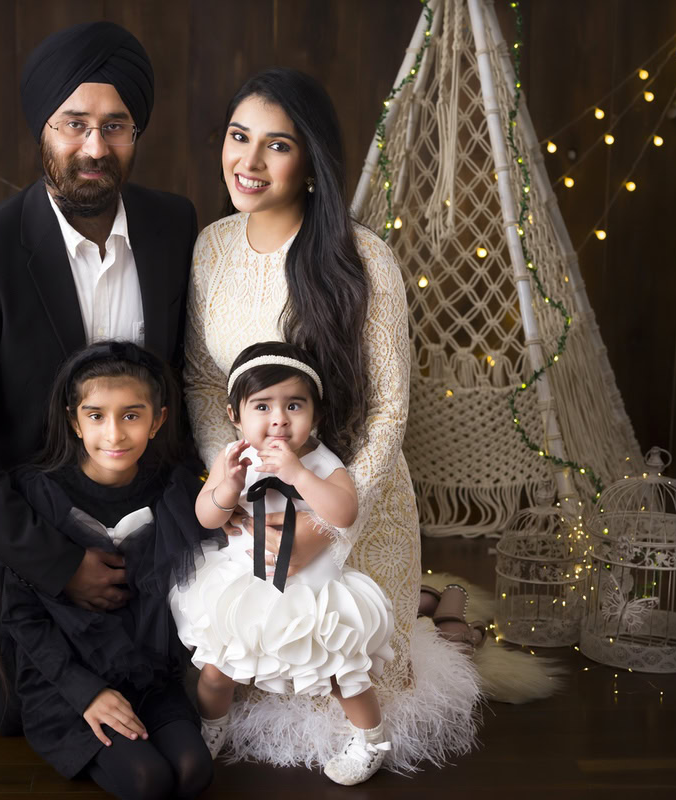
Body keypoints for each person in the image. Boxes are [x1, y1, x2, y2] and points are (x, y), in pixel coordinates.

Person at [182, 68, 480, 772]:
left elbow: (389, 410)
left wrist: (323, 527)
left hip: (351, 498)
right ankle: (443, 597)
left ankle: (432, 602)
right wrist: (239, 481)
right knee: (234, 661)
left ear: (311, 161)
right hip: (259, 497)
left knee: (343, 673)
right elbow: (201, 381)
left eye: (276, 146)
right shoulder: (211, 248)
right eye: (238, 137)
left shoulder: (363, 259)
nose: (248, 163)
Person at [0, 21, 197, 736]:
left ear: (137, 133)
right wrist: (59, 563)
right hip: (25, 518)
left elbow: (187, 388)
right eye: (73, 124)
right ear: (43, 129)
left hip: (146, 506)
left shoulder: (174, 227)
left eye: (116, 127)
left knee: (198, 676)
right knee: (12, 712)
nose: (94, 148)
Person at [0, 341, 221, 799]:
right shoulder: (38, 495)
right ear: (75, 421)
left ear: (158, 420)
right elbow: (21, 616)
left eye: (131, 415)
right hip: (65, 677)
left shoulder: (173, 489)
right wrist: (87, 692)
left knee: (194, 771)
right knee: (149, 782)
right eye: (96, 416)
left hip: (148, 674)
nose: (114, 434)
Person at [170, 342, 396, 785]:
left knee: (341, 674)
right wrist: (227, 489)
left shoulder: (320, 461)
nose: (278, 419)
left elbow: (344, 513)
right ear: (235, 415)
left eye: (294, 405)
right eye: (262, 406)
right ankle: (212, 727)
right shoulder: (234, 458)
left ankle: (371, 740)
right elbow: (206, 516)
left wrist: (298, 475)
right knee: (217, 671)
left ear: (315, 413)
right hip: (243, 591)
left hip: (310, 593)